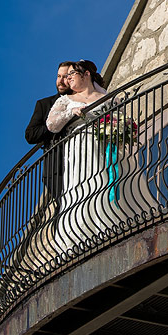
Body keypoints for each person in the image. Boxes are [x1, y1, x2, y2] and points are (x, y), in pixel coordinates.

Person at [46, 60, 110, 253]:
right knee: (83, 184)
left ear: (86, 74)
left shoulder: (105, 97)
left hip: (104, 145)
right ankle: (81, 235)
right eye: (67, 75)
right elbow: (51, 125)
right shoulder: (66, 100)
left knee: (104, 181)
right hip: (81, 146)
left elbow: (117, 115)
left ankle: (107, 226)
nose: (68, 77)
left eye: (72, 73)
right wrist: (70, 113)